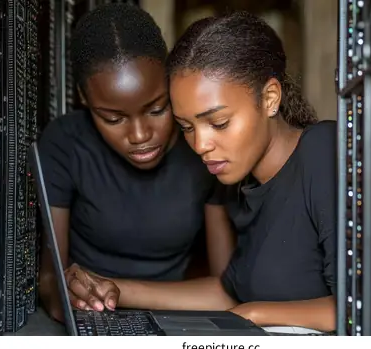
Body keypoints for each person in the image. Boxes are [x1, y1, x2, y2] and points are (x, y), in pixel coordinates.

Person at [64, 11, 337, 332]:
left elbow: (355, 308)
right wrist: (115, 289)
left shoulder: (322, 150)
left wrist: (251, 316)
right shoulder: (241, 185)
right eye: (186, 127)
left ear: (270, 99)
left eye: (218, 123)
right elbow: (227, 292)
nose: (200, 145)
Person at [37, 3, 236, 322]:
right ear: (85, 99)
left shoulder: (203, 149)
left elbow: (229, 290)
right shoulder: (65, 145)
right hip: (88, 318)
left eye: (157, 110)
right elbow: (51, 283)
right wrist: (75, 300)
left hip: (174, 316)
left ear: (171, 81)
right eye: (113, 118)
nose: (141, 135)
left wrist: (116, 289)